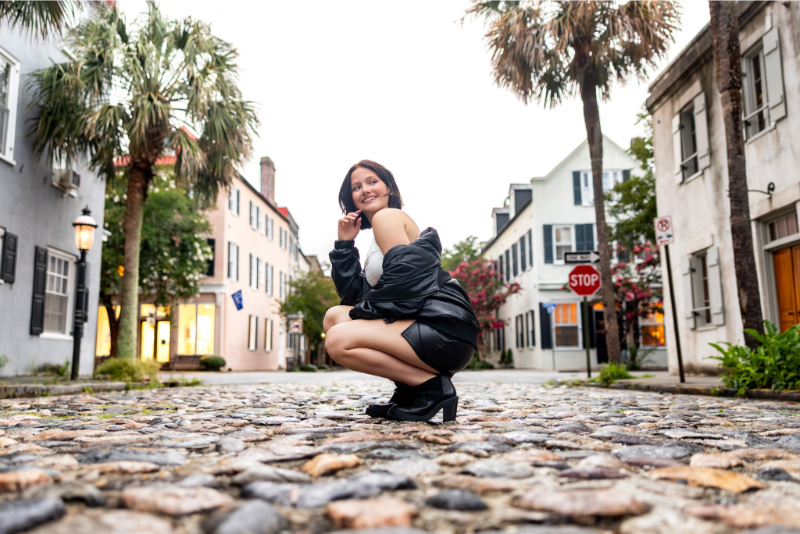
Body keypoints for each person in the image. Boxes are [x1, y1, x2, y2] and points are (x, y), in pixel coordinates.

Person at [323, 160, 480, 423]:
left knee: (338, 339)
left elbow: (403, 285)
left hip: (444, 331)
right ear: (350, 198)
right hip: (429, 329)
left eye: (372, 181)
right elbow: (352, 297)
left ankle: (431, 387)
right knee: (334, 317)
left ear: (390, 189)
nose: (365, 189)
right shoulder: (378, 235)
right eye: (356, 186)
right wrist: (344, 245)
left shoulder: (388, 217)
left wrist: (361, 315)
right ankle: (410, 391)